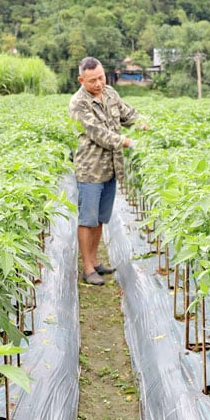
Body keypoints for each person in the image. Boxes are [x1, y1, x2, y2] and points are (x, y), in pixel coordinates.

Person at [68, 56, 148, 285]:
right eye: (92, 80)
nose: (98, 84)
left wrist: (143, 123)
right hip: (90, 170)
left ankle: (96, 262)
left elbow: (128, 114)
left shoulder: (111, 93)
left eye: (101, 78)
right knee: (87, 219)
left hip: (111, 168)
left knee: (101, 217)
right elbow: (96, 132)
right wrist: (125, 141)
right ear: (81, 80)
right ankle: (87, 268)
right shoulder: (78, 103)